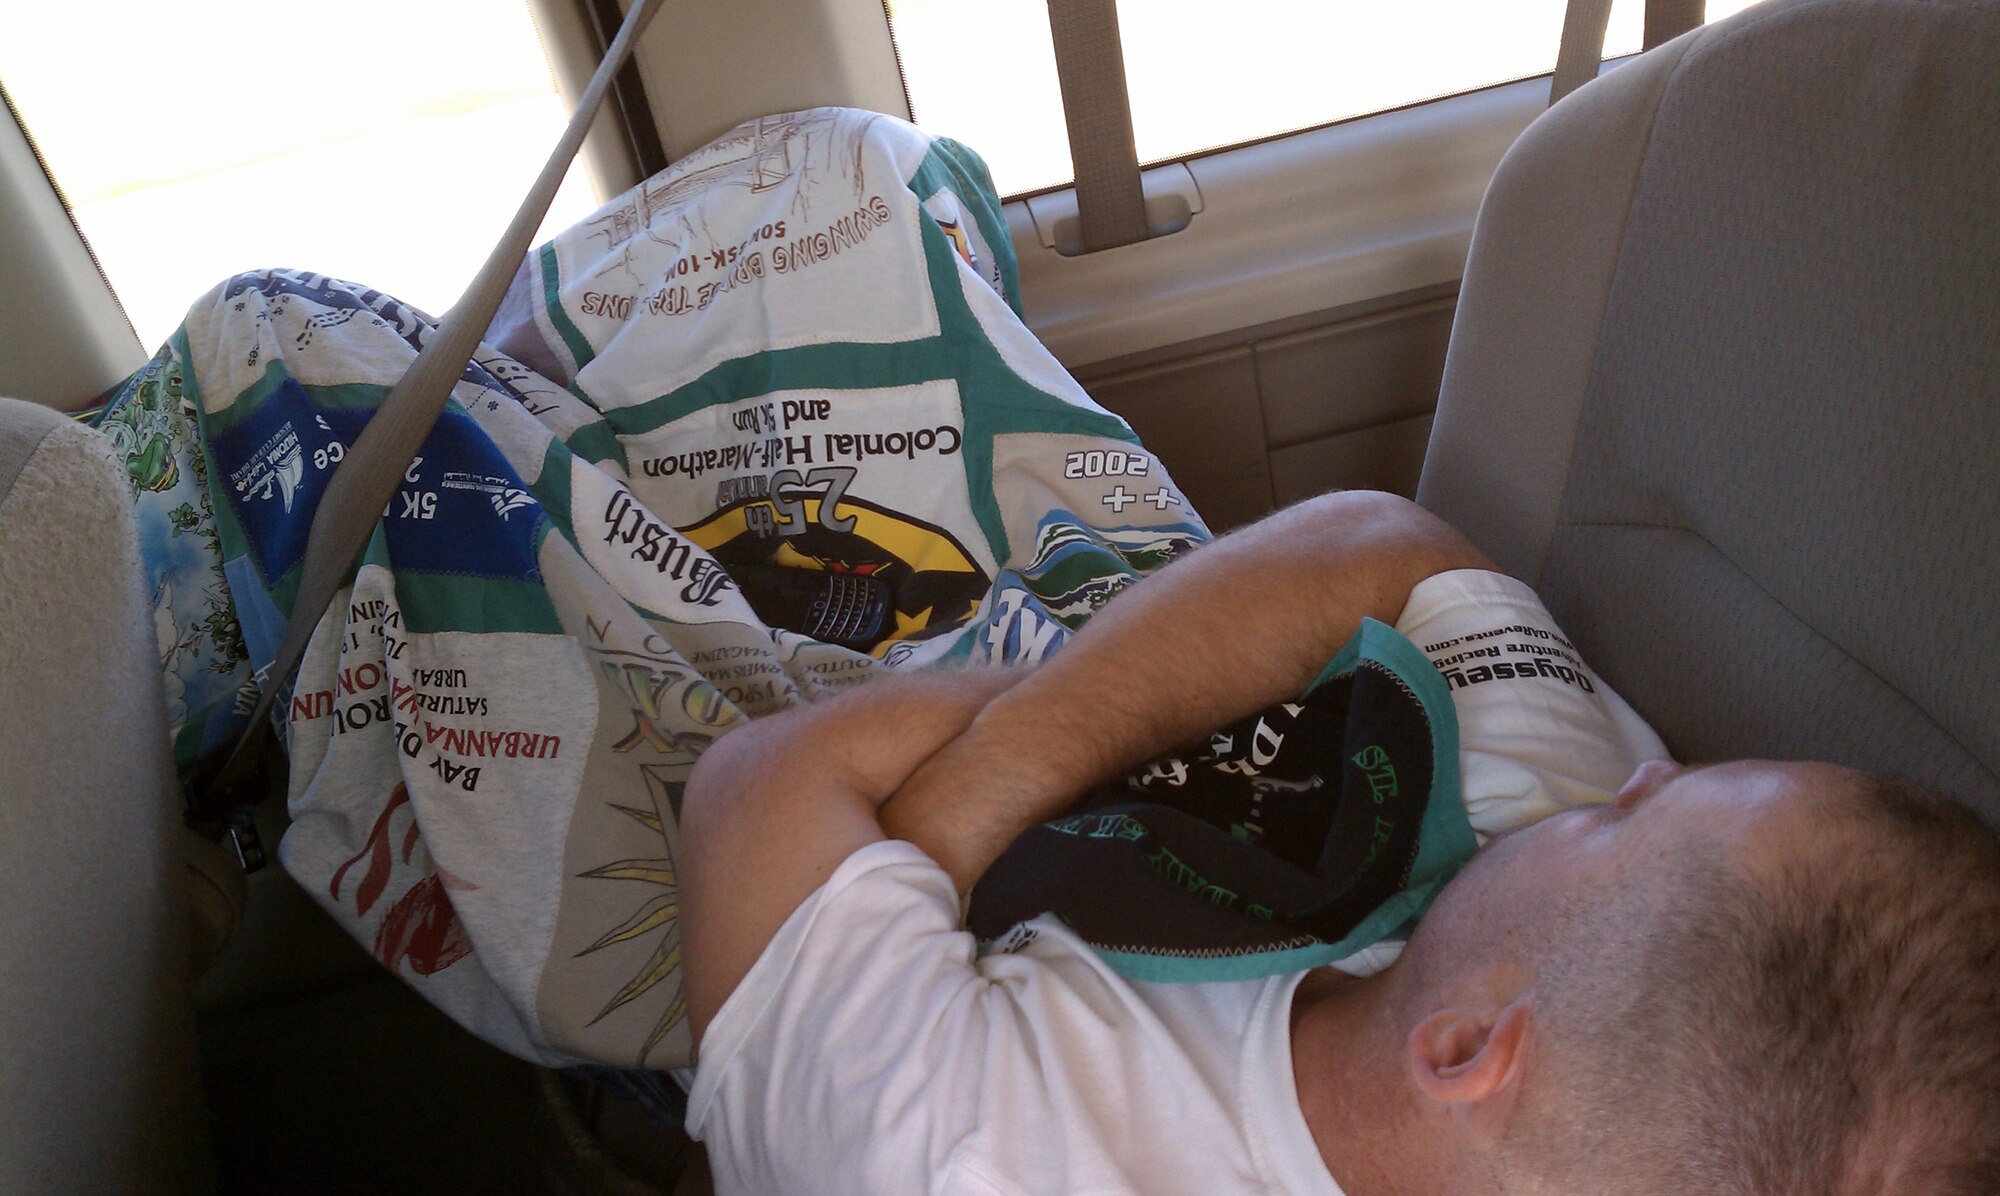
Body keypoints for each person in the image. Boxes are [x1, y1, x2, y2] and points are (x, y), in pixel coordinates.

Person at [677, 489, 2000, 1195]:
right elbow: (1388, 549)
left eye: (1631, 816)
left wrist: (932, 844)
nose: (1646, 766)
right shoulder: (1553, 835)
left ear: (1471, 1049)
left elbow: (758, 789)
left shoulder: (946, 1148)